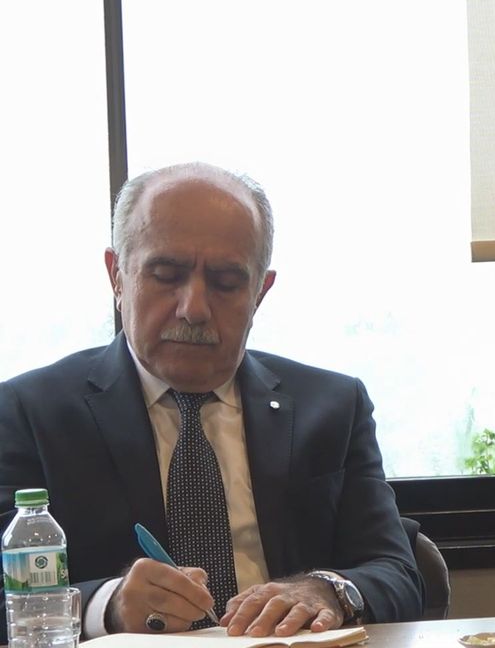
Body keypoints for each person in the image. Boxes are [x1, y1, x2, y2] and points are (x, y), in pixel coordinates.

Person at [0, 163, 423, 642]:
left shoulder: (332, 407)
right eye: (166, 275)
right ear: (117, 276)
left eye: (225, 283)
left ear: (260, 292)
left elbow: (399, 574)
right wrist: (107, 605)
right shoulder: (29, 412)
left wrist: (325, 590)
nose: (194, 309)